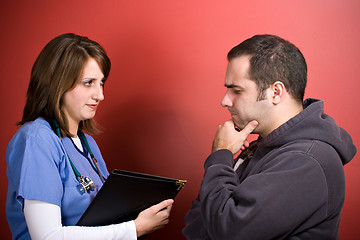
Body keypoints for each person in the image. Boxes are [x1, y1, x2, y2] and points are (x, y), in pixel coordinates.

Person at [183, 34, 357, 239]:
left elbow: (227, 231)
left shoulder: (307, 160)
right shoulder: (260, 147)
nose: (224, 101)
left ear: (276, 92)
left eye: (236, 90)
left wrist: (220, 155)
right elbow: (196, 223)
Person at [6, 33, 174, 240]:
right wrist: (134, 228)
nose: (100, 95)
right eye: (88, 83)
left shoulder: (89, 144)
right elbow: (47, 236)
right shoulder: (37, 139)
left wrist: (141, 214)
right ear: (56, 84)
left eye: (101, 82)